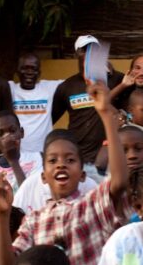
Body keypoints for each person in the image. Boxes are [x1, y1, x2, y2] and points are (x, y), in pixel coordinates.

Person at [0, 82, 130, 265]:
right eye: (53, 160)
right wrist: (2, 214)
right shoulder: (34, 220)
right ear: (43, 175)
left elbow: (119, 182)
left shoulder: (91, 205)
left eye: (70, 160)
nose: (61, 165)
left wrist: (107, 119)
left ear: (82, 174)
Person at [51, 35, 124, 181]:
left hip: (107, 159)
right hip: (79, 160)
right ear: (76, 54)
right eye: (84, 50)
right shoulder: (67, 86)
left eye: (93, 50)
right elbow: (50, 120)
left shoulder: (115, 80)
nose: (89, 54)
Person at [8, 52, 63, 153]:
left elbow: (74, 84)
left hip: (43, 154)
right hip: (17, 154)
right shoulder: (9, 89)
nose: (29, 72)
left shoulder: (48, 88)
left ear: (39, 72)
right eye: (25, 68)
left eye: (34, 68)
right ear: (17, 71)